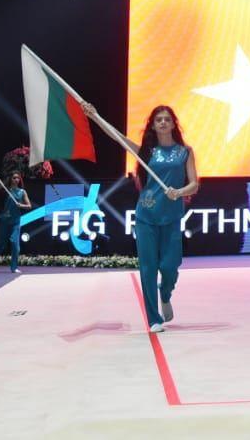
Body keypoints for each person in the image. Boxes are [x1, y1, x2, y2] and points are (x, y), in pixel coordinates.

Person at [82, 102, 198, 333]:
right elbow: (118, 137)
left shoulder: (185, 152)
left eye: (167, 119)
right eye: (158, 120)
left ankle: (165, 294)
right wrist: (95, 115)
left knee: (170, 266)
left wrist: (179, 192)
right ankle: (154, 319)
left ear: (173, 124)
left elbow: (194, 184)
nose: (163, 122)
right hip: (146, 216)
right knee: (148, 268)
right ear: (153, 126)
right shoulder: (146, 152)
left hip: (172, 217)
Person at [0, 171, 32, 272]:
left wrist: (21, 205)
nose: (16, 180)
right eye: (14, 178)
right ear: (10, 179)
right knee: (1, 245)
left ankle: (14, 267)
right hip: (4, 220)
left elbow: (29, 206)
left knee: (15, 244)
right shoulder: (5, 190)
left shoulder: (22, 192)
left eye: (18, 178)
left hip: (15, 221)